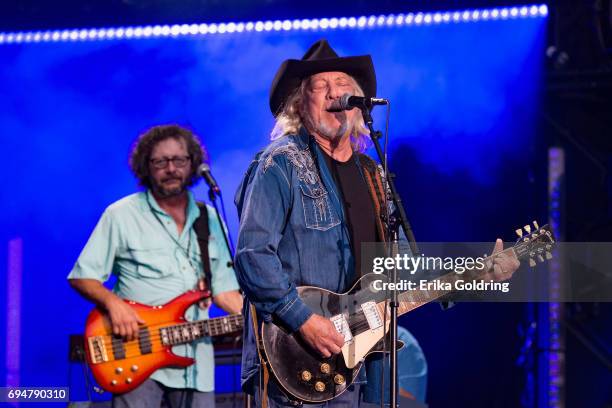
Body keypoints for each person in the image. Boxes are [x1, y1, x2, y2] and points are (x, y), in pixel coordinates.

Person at [234, 39, 520, 407]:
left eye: (343, 85)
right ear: (298, 105)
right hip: (302, 361)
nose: (334, 93)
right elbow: (252, 254)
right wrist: (303, 319)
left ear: (358, 105)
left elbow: (403, 271)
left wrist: (479, 276)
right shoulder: (280, 165)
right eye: (320, 86)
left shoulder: (374, 175)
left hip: (371, 364)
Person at [68, 124, 243, 407]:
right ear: (145, 167)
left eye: (179, 160)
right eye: (160, 161)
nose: (171, 168)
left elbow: (225, 292)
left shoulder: (208, 218)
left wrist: (263, 319)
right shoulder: (121, 214)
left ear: (193, 163)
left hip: (196, 366)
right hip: (133, 356)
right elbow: (82, 277)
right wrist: (114, 305)